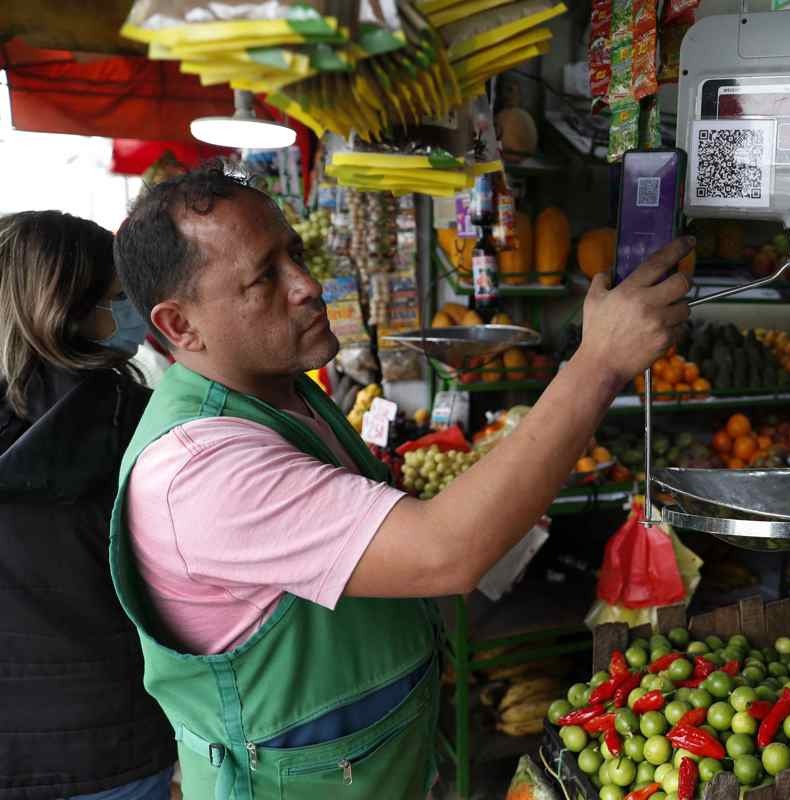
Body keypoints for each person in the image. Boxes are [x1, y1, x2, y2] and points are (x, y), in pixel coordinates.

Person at [109, 166, 692, 798]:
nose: (308, 286)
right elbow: (445, 553)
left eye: (296, 255)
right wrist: (599, 363)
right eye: (263, 278)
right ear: (180, 326)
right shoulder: (203, 471)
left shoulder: (281, 391)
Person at [0, 211, 176, 800]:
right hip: (113, 741)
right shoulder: (141, 420)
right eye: (119, 298)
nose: (132, 315)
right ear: (66, 307)